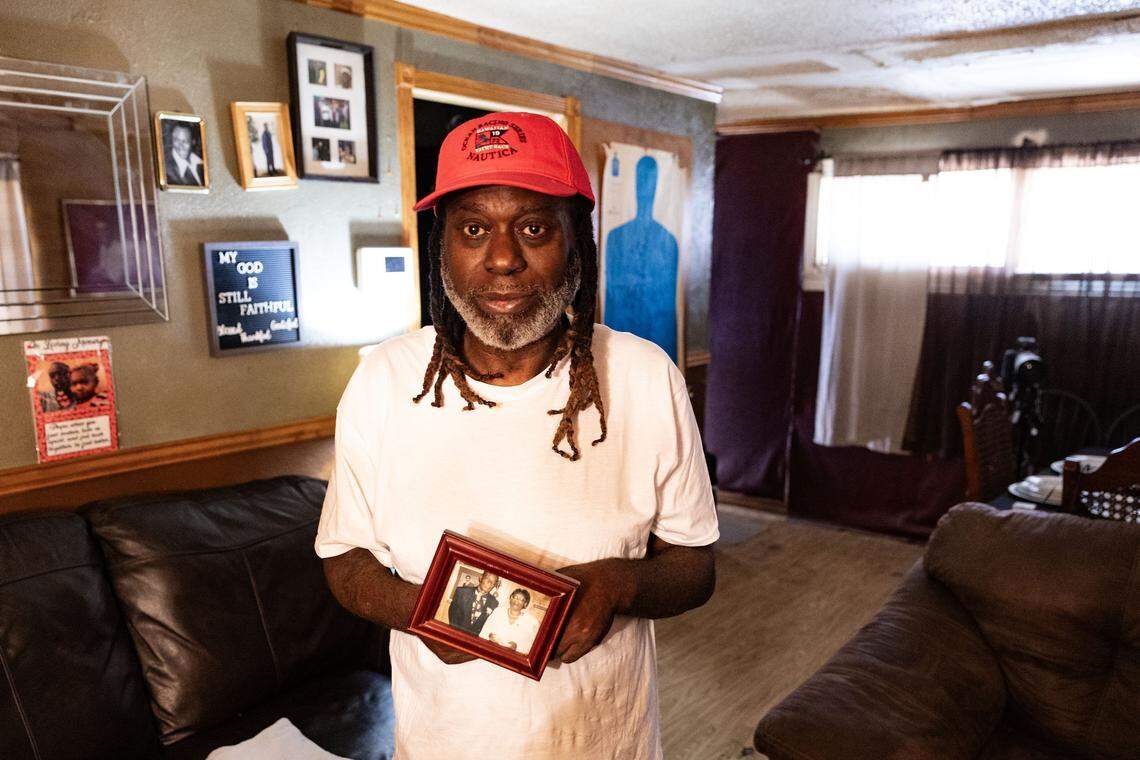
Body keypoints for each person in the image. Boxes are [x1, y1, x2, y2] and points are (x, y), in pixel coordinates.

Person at [316, 111, 717, 759]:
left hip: (603, 741)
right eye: (474, 228)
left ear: (575, 241)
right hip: (444, 744)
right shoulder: (384, 381)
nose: (503, 259)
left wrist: (619, 584)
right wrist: (418, 611)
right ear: (443, 245)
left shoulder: (645, 377)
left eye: (534, 227)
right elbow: (344, 558)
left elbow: (694, 566)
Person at [481, 588, 540, 655]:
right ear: (511, 598)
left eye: (521, 600)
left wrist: (516, 647)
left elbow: (530, 647)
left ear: (525, 604)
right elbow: (484, 631)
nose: (517, 601)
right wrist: (490, 637)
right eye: (515, 597)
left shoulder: (530, 621)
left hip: (512, 657)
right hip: (490, 650)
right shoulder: (499, 611)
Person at [446, 570, 498, 635]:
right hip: (455, 634)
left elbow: (488, 624)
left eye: (493, 583)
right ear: (481, 578)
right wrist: (455, 632)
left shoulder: (494, 603)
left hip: (474, 638)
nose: (490, 583)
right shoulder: (462, 592)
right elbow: (452, 613)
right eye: (487, 579)